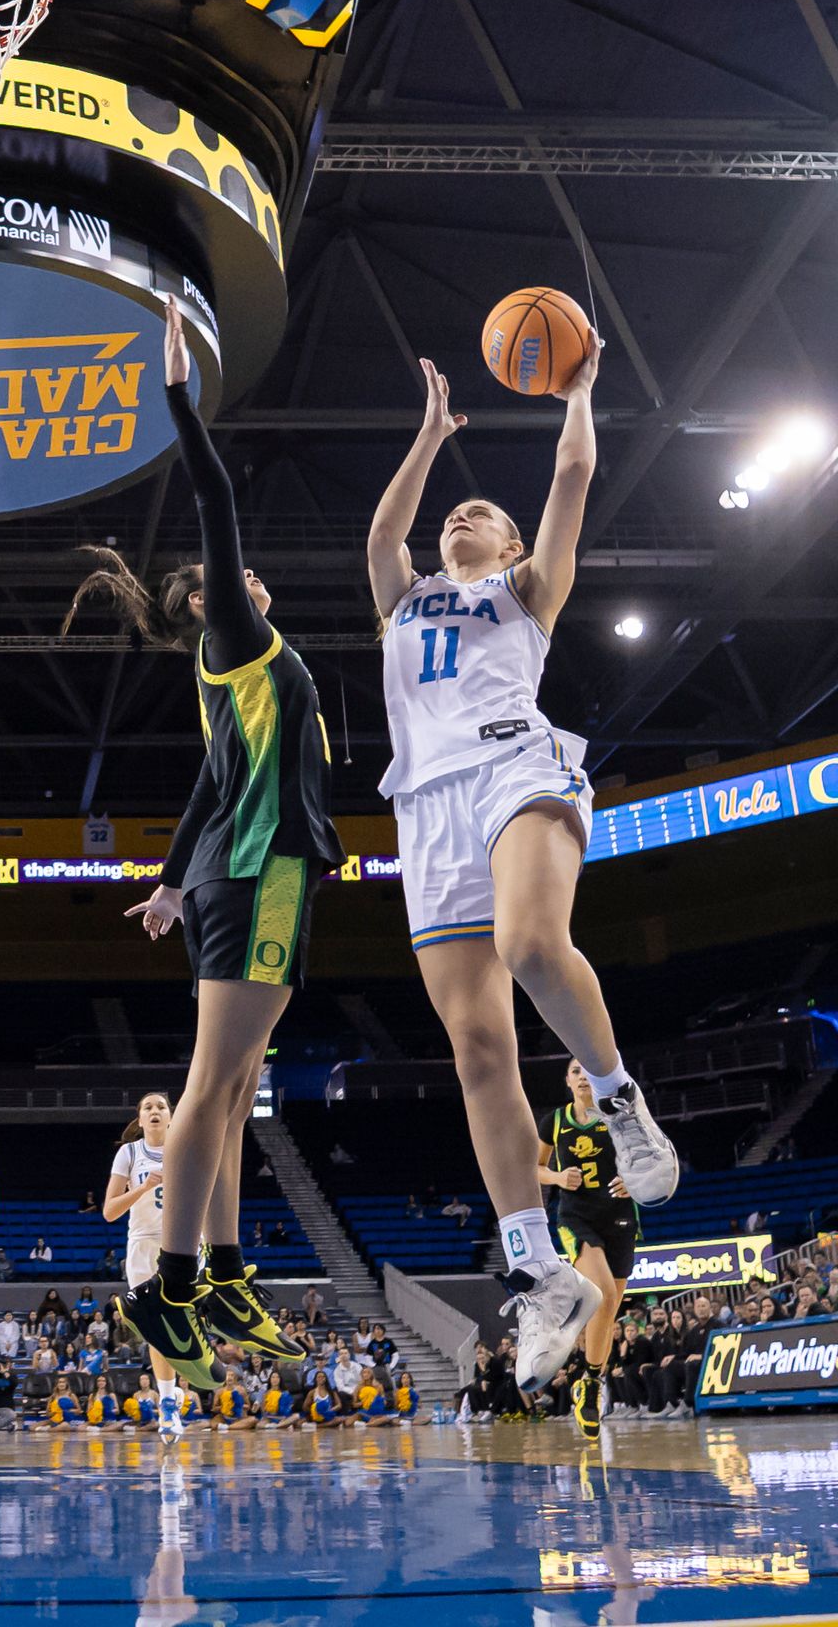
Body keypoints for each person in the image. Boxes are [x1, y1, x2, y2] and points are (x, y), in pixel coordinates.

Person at [366, 339, 678, 1394]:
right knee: (478, 1052)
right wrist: (427, 435)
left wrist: (579, 396)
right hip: (425, 811)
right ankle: (541, 1274)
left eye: (480, 516)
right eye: (454, 515)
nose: (462, 517)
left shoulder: (526, 593)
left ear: (508, 548)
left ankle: (619, 1096)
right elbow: (381, 534)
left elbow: (574, 478)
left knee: (533, 943)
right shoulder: (403, 601)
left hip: (514, 764)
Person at [74, 298, 343, 1393]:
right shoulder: (234, 633)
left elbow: (202, 784)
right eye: (228, 576)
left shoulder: (230, 674)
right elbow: (217, 497)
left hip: (244, 873)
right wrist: (180, 395)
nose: (248, 576)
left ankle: (223, 1271)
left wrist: (170, 887)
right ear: (207, 597)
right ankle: (166, 1284)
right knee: (209, 1085)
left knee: (236, 1091)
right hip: (257, 871)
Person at [537, 1057, 637, 1441]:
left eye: (586, 1071)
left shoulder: (621, 1116)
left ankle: (589, 1380)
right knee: (602, 1294)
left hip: (621, 1217)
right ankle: (592, 1384)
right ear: (567, 1080)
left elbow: (649, 1162)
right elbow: (535, 1167)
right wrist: (558, 1176)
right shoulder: (556, 1121)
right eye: (574, 1071)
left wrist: (633, 1181)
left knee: (609, 1311)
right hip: (576, 1217)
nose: (581, 1076)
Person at [105, 1093, 186, 1446]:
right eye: (147, 1108)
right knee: (157, 1328)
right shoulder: (129, 1153)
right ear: (139, 1119)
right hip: (141, 1245)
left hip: (182, 1242)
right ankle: (168, 1401)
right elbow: (109, 1211)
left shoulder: (185, 1146)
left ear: (171, 1116)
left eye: (161, 1107)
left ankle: (173, 1391)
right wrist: (143, 1187)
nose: (154, 1111)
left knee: (183, 1324)